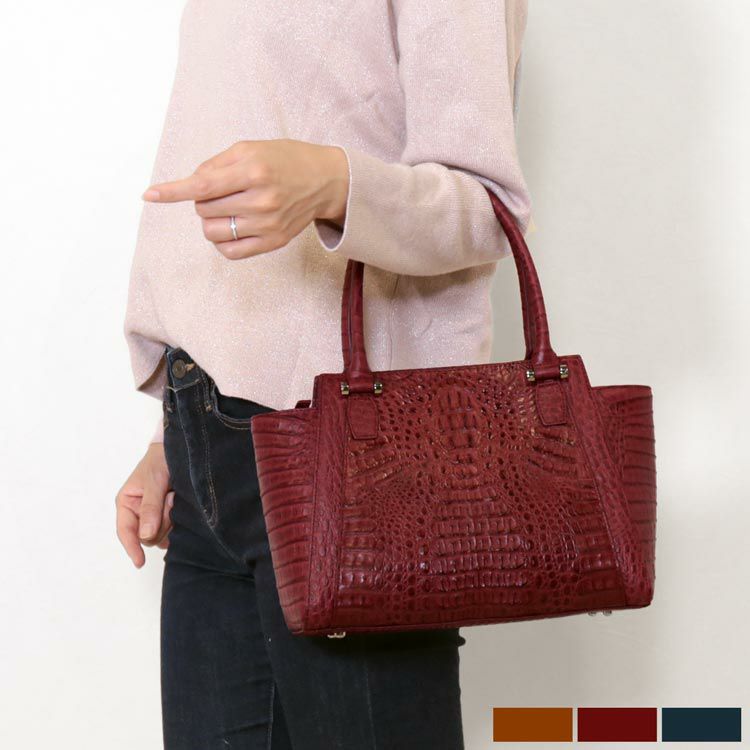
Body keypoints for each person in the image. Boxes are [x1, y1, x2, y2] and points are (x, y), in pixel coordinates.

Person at [116, 1, 532, 748]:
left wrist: (335, 184)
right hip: (207, 443)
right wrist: (171, 435)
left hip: (358, 462)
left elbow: (487, 208)